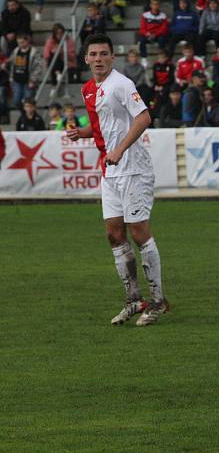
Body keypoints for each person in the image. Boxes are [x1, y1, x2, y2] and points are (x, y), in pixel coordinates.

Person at [65, 33, 168, 327]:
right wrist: (81, 132)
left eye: (103, 54)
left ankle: (158, 301)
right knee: (113, 234)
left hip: (133, 167)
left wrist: (120, 149)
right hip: (110, 170)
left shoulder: (122, 84)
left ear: (113, 57)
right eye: (93, 54)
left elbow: (143, 117)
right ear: (85, 58)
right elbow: (103, 126)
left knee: (138, 232)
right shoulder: (89, 89)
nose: (98, 59)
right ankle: (134, 300)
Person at [8, 33, 43, 110]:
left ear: (27, 41)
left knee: (28, 101)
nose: (20, 44)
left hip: (28, 80)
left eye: (22, 42)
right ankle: (25, 115)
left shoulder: (34, 52)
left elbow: (39, 67)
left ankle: (27, 115)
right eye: (19, 43)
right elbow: (12, 62)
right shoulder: (16, 50)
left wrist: (33, 80)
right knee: (16, 101)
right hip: (17, 79)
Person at [138, 0, 169, 64]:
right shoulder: (145, 15)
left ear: (159, 5)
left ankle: (161, 57)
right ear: (150, 5)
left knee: (162, 39)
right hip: (148, 35)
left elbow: (164, 29)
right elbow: (142, 29)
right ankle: (144, 58)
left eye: (157, 4)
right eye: (154, 4)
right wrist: (147, 34)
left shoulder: (163, 16)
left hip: (157, 35)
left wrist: (155, 34)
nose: (155, 6)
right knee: (142, 40)